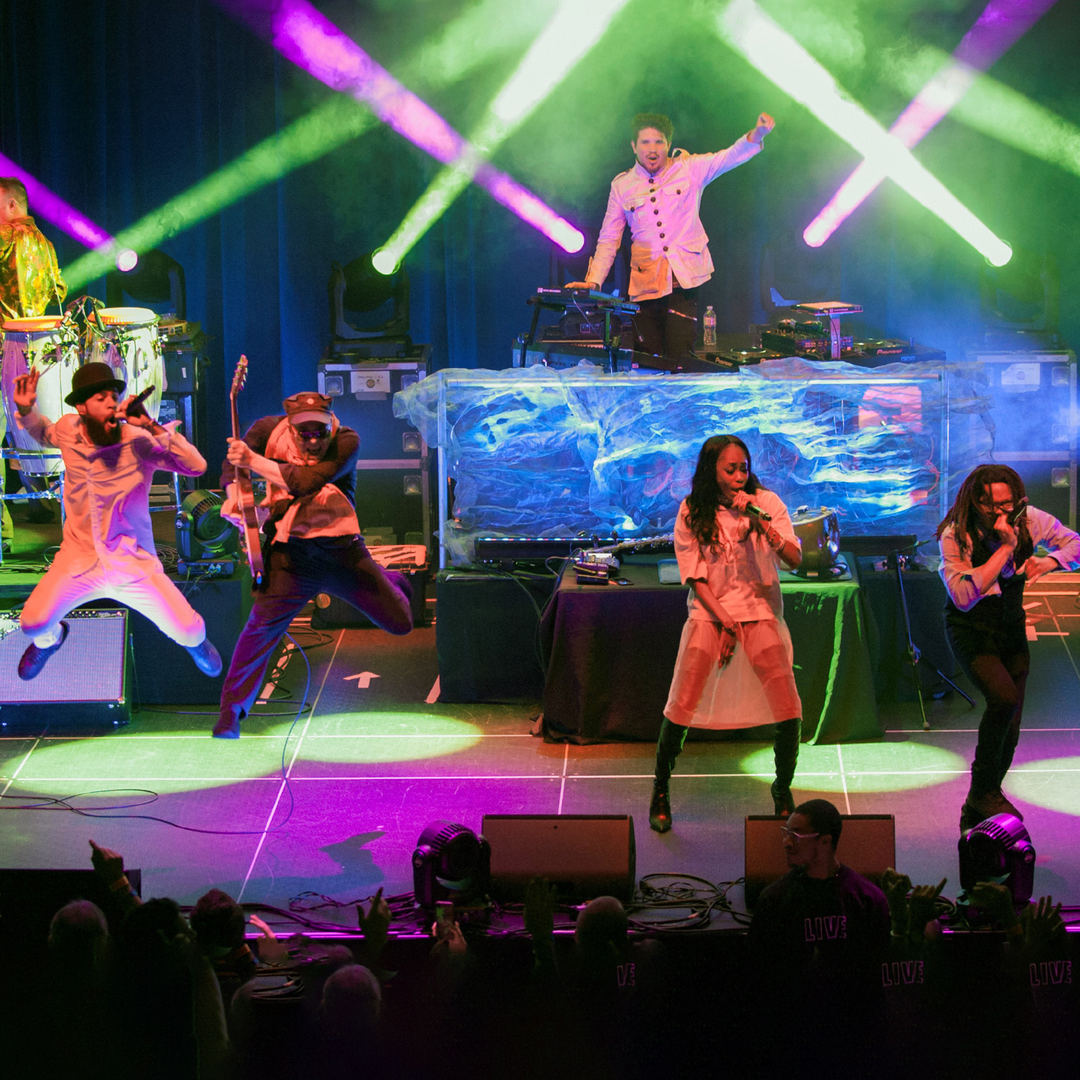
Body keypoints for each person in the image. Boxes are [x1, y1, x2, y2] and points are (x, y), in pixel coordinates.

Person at [214, 391, 413, 738]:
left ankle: (390, 579)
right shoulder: (266, 430)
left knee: (401, 624)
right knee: (259, 631)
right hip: (291, 557)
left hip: (342, 553)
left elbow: (305, 483)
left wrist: (252, 460)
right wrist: (236, 499)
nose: (313, 441)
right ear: (290, 427)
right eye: (304, 434)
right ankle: (231, 711)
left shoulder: (346, 441)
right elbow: (233, 466)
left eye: (320, 432)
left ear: (329, 425)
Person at [12, 362, 222, 681]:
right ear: (81, 407)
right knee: (33, 623)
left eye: (114, 396)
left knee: (190, 630)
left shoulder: (138, 440)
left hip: (132, 564)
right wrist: (27, 409)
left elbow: (196, 466)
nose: (111, 402)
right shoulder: (69, 429)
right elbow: (43, 432)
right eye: (101, 398)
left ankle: (197, 645)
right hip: (78, 562)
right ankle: (51, 640)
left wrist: (150, 425)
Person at [650, 434, 802, 832]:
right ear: (712, 471)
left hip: (760, 610)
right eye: (730, 469)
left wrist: (761, 523)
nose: (738, 476)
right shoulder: (692, 510)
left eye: (743, 469)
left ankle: (782, 789)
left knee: (788, 706)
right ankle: (660, 788)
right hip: (710, 613)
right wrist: (726, 622)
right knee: (681, 702)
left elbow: (795, 558)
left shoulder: (766, 503)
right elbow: (694, 577)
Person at [937, 464, 1080, 833]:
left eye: (1008, 504)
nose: (1001, 513)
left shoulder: (1030, 520)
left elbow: (1075, 544)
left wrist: (1050, 561)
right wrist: (1005, 549)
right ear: (975, 502)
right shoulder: (956, 535)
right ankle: (982, 791)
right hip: (971, 629)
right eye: (992, 506)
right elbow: (964, 596)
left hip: (1010, 628)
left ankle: (983, 796)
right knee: (1002, 698)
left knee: (1012, 721)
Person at [566, 111, 773, 360]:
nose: (652, 149)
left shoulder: (688, 169)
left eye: (659, 142)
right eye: (645, 142)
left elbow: (727, 157)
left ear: (668, 144)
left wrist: (757, 134)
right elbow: (609, 239)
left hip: (684, 284)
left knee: (680, 356)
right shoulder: (622, 185)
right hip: (645, 286)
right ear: (634, 146)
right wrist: (594, 281)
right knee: (648, 360)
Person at [748, 800, 891, 1069]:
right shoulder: (773, 900)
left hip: (851, 1045)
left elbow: (878, 976)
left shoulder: (867, 900)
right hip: (793, 1044)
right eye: (786, 833)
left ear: (825, 842)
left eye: (796, 835)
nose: (787, 843)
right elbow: (759, 977)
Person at [0, 176, 68, 536]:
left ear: (12, 204)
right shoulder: (46, 244)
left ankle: (2, 528)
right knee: (25, 427)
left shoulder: (7, 238)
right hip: (37, 347)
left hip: (4, 344)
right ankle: (42, 503)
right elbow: (59, 289)